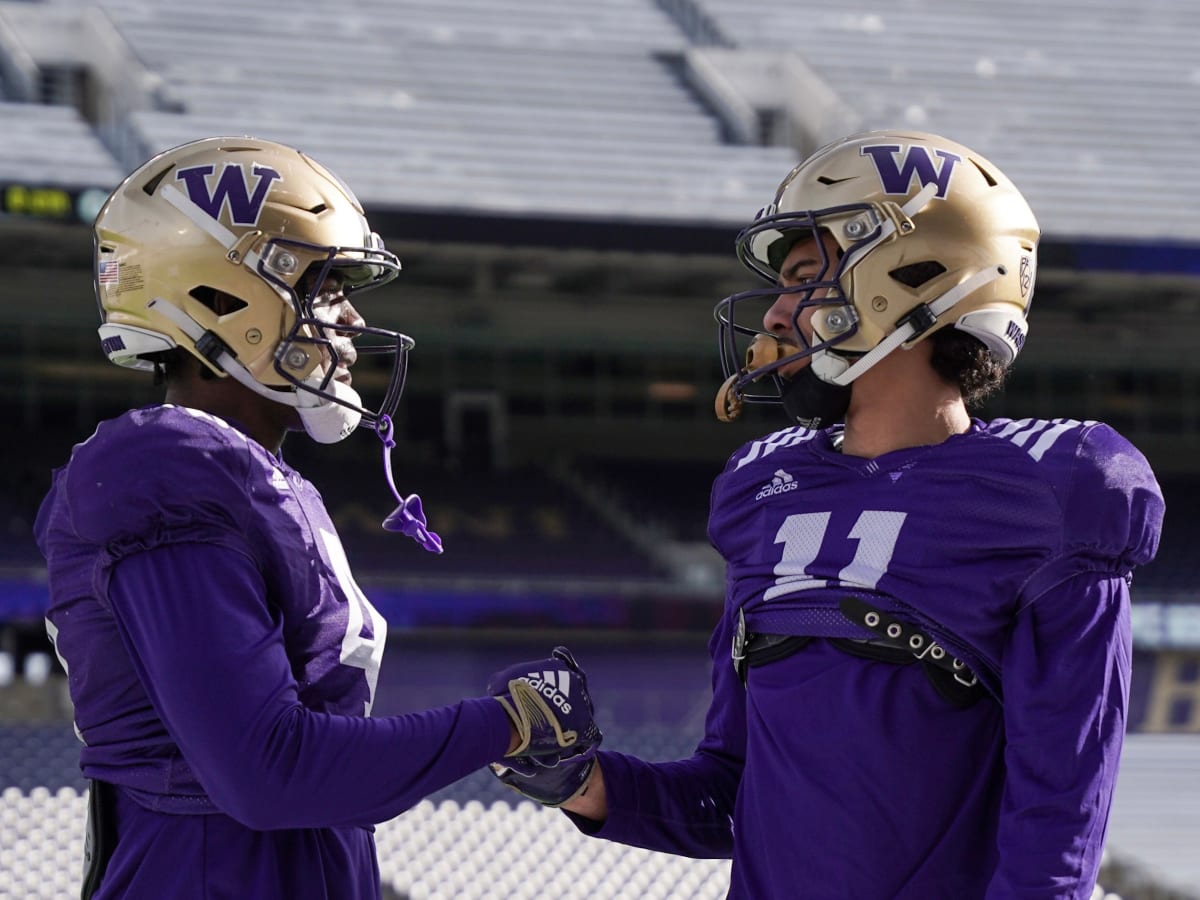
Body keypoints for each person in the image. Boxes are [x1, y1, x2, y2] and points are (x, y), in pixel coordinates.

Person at [488, 130, 1165, 898]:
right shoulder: (761, 490)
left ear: (912, 275)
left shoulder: (1053, 490)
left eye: (806, 276)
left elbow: (1058, 824)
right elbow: (730, 797)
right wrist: (580, 781)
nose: (778, 312)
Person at [33, 136, 600, 900]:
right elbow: (268, 772)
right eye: (327, 286)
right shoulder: (166, 467)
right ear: (222, 297)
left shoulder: (244, 472)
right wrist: (506, 723)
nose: (354, 320)